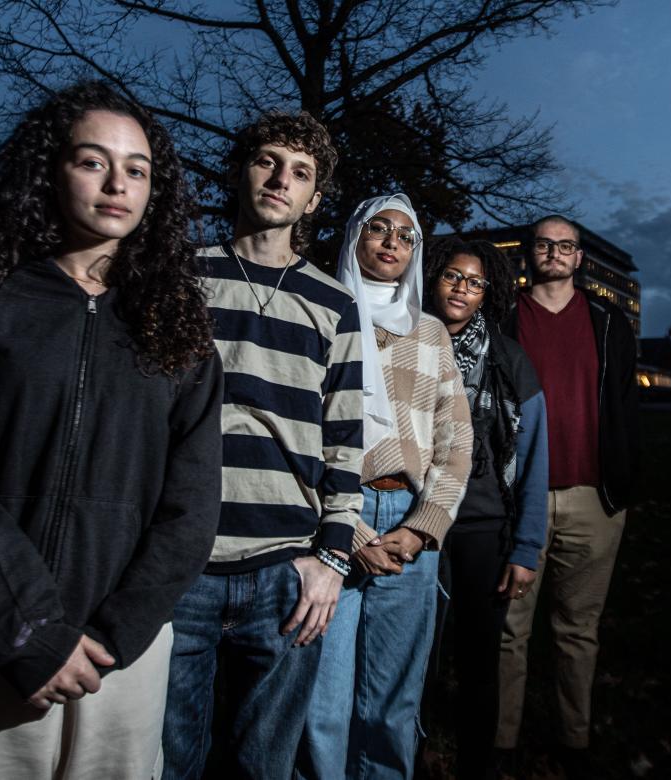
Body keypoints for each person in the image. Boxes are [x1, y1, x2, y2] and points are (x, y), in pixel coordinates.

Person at [0, 81, 223, 779]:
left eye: (137, 169)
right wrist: (26, 631)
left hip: (114, 662)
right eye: (92, 162)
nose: (116, 184)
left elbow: (191, 506)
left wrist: (111, 636)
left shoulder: (178, 331)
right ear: (49, 170)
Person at [162, 111, 364, 780]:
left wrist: (331, 559)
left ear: (313, 198)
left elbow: (344, 440)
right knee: (168, 763)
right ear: (241, 170)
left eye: (300, 173)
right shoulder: (182, 277)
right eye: (268, 161)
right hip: (180, 566)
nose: (281, 179)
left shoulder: (334, 304)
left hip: (286, 572)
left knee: (262, 769)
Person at [297, 195, 473, 780]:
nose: (392, 242)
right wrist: (351, 531)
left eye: (406, 234)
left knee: (394, 698)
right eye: (379, 228)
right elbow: (302, 436)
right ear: (354, 236)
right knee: (324, 697)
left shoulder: (430, 333)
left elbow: (457, 444)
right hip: (333, 518)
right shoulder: (322, 310)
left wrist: (421, 530)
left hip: (409, 521)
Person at [495, 215, 638, 777]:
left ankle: (574, 742)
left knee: (578, 628)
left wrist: (624, 479)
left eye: (566, 246)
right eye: (544, 244)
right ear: (529, 254)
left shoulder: (609, 322)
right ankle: (501, 742)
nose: (554, 252)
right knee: (510, 628)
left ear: (579, 258)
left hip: (592, 497)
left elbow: (627, 406)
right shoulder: (502, 317)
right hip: (516, 501)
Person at [423, 238, 548, 780]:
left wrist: (525, 545)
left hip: (481, 524)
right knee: (415, 657)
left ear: (487, 293)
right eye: (453, 276)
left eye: (475, 282)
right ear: (434, 279)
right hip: (414, 520)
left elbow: (535, 455)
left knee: (478, 658)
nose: (462, 289)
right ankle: (408, 754)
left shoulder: (508, 358)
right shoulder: (407, 340)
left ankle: (477, 764)